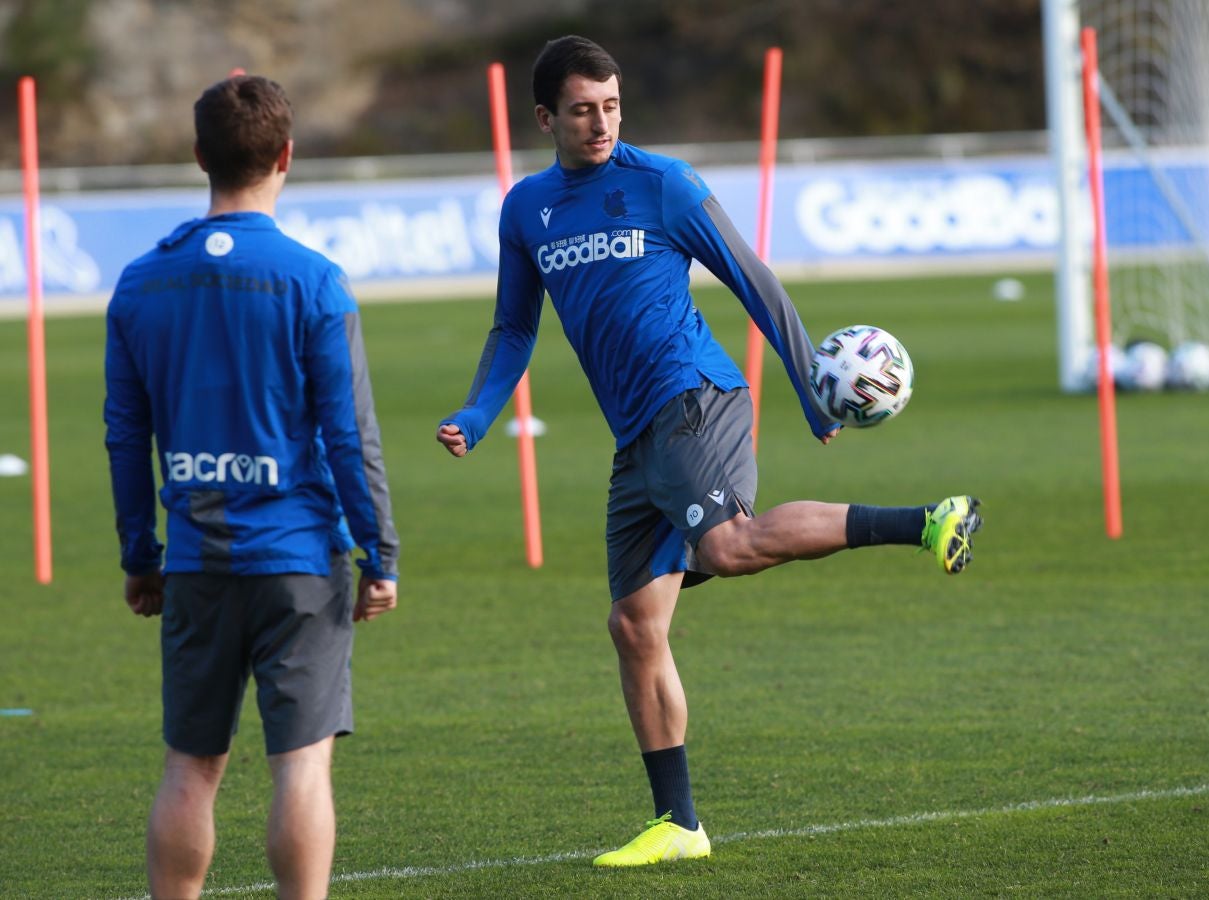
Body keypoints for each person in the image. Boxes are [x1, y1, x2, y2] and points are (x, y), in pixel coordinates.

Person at [436, 35, 981, 867]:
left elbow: (751, 277)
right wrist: (477, 415)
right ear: (545, 116)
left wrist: (807, 387)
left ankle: (927, 520)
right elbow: (514, 326)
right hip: (636, 437)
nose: (600, 123)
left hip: (694, 396)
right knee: (633, 624)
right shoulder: (527, 209)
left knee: (726, 545)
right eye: (582, 110)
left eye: (611, 105)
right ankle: (679, 824)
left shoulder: (664, 184)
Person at [105, 75, 400, 900]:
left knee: (191, 767)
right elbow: (349, 435)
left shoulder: (139, 283)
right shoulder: (315, 281)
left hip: (196, 559)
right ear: (286, 156)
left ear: (199, 156)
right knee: (300, 768)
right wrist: (380, 553)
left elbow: (127, 436)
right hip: (299, 558)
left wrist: (140, 554)